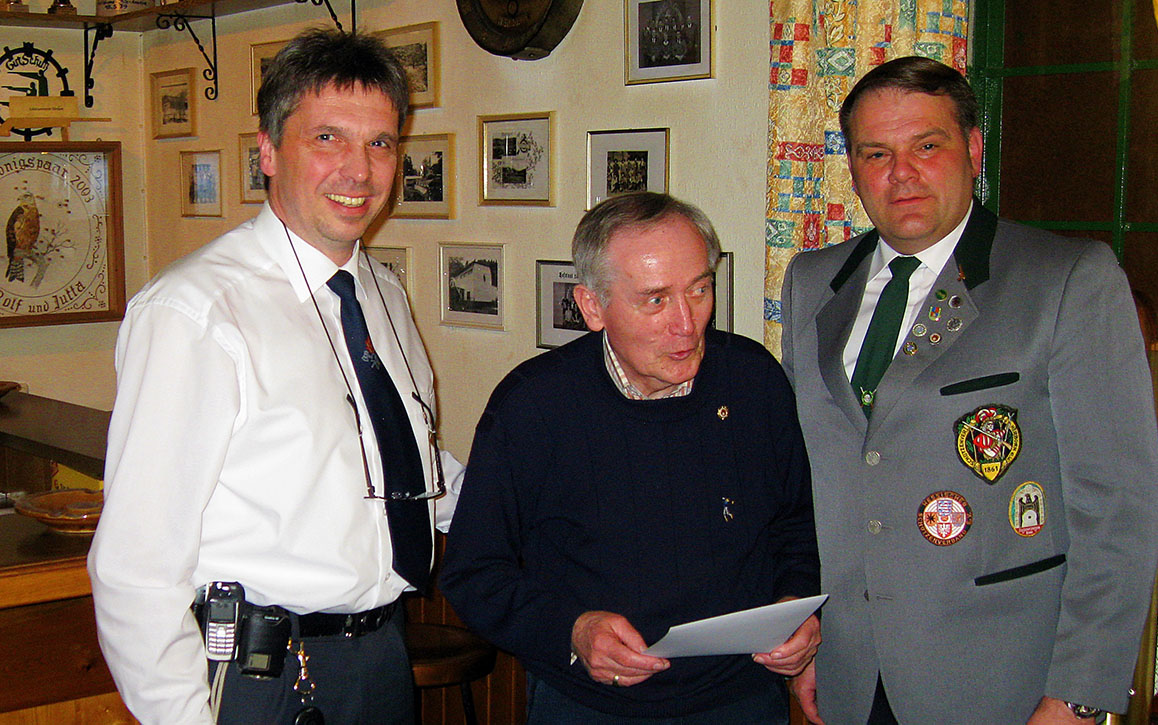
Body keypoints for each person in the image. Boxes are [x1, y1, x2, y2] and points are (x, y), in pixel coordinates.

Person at [87, 29, 464, 724]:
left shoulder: (381, 292)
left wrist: (529, 508)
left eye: (380, 143)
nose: (359, 170)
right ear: (267, 150)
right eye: (328, 138)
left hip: (381, 657)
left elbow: (400, 462)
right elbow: (137, 564)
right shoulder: (196, 312)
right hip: (263, 674)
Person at [780, 56, 1158, 724]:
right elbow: (806, 480)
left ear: (975, 149)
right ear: (854, 169)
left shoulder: (1065, 279)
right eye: (876, 154)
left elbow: (1118, 507)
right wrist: (807, 633)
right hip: (850, 670)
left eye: (927, 146)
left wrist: (1079, 694)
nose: (901, 173)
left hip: (1001, 681)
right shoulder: (812, 281)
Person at [440, 192, 821, 723]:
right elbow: (474, 573)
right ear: (592, 307)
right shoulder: (533, 407)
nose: (687, 324)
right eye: (656, 300)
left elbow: (796, 526)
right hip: (589, 703)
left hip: (742, 696)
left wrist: (795, 604)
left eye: (700, 289)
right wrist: (571, 630)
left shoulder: (754, 380)